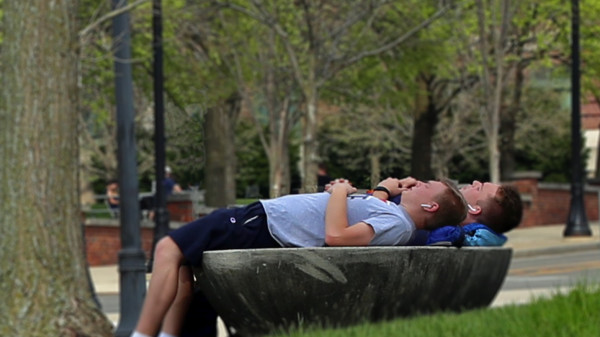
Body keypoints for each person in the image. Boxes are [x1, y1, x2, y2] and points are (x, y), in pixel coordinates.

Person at [130, 177, 468, 337]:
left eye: (426, 186)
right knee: (180, 264)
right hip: (266, 223)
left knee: (166, 249)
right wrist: (380, 189)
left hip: (266, 223)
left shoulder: (397, 221)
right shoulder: (396, 216)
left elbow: (336, 236)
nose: (418, 183)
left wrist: (338, 191)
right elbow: (363, 215)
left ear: (430, 206)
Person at [410, 180, 523, 247]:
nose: (475, 182)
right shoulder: (456, 235)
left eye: (479, 188)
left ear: (474, 209)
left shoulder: (445, 233)